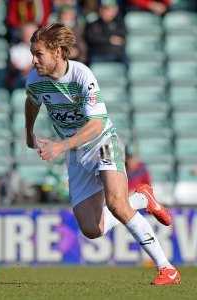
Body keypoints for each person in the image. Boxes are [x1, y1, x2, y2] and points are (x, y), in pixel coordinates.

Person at [24, 23, 180, 285]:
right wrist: (28, 133)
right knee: (91, 230)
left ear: (59, 52)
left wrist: (60, 146)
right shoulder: (35, 81)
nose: (34, 59)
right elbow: (31, 102)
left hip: (102, 142)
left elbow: (96, 124)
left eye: (39, 54)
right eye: (33, 53)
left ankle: (166, 268)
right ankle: (142, 199)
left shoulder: (82, 76)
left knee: (117, 204)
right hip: (76, 153)